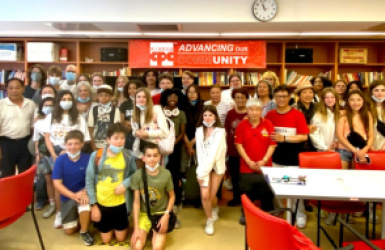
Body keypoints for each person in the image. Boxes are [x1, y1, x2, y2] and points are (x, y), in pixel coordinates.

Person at [43, 90, 91, 228]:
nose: (66, 101)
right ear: (59, 101)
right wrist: (54, 154)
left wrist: (70, 148)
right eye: (63, 98)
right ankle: (60, 212)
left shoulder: (78, 117)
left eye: (69, 98)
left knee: (76, 180)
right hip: (56, 152)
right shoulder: (52, 116)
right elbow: (47, 137)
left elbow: (84, 139)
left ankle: (80, 208)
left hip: (73, 150)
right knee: (58, 183)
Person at [265, 84, 309, 228]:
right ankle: (281, 211)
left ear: (289, 97)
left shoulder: (297, 114)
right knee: (276, 187)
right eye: (278, 96)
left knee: (296, 188)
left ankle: (300, 214)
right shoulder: (270, 115)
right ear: (274, 98)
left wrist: (284, 138)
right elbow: (265, 134)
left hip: (293, 158)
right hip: (275, 157)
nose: (281, 99)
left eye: (284, 96)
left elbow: (303, 137)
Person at [86, 123, 137, 244]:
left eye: (122, 138)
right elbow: (89, 180)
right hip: (102, 203)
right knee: (106, 240)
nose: (119, 141)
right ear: (108, 139)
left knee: (121, 239)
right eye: (116, 138)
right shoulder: (96, 155)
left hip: (121, 203)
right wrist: (93, 206)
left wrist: (125, 184)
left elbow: (135, 174)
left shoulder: (128, 155)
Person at [234, 98, 277, 224]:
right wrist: (248, 161)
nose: (254, 112)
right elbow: (238, 144)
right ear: (247, 110)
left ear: (261, 110)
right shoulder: (242, 125)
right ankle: (246, 214)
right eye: (251, 109)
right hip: (246, 166)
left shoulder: (268, 124)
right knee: (247, 193)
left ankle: (268, 215)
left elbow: (272, 145)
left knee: (267, 192)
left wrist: (264, 160)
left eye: (257, 109)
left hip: (265, 165)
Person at [52, 130, 94, 245]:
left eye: (76, 143)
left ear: (82, 144)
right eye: (70, 144)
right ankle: (81, 219)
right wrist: (73, 195)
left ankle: (84, 231)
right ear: (65, 145)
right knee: (69, 231)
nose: (73, 147)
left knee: (84, 203)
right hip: (68, 196)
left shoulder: (89, 158)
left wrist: (84, 192)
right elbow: (57, 183)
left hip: (84, 193)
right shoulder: (60, 160)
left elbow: (92, 179)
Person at [131, 144, 175, 250]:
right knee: (137, 247)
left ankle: (155, 232)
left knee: (158, 247)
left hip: (160, 213)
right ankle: (145, 230)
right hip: (144, 213)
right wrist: (136, 228)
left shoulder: (166, 174)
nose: (152, 159)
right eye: (149, 156)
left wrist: (166, 216)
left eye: (155, 155)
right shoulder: (137, 175)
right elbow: (136, 202)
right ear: (143, 158)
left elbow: (172, 196)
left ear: (160, 157)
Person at [195, 105, 227, 235]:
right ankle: (209, 219)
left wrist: (203, 171)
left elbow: (214, 154)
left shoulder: (220, 132)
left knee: (212, 195)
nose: (207, 118)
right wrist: (201, 173)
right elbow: (200, 152)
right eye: (205, 115)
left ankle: (214, 207)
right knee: (204, 195)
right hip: (203, 167)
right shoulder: (198, 131)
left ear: (215, 117)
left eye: (210, 115)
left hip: (217, 167)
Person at [0, 78, 35, 178]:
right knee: (6, 175)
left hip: (25, 143)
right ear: (6, 89)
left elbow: (33, 126)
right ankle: (7, 194)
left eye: (17, 88)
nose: (14, 91)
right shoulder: (1, 105)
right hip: (6, 144)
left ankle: (25, 194)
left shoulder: (30, 104)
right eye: (11, 88)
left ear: (23, 88)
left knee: (26, 175)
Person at [160, 88, 186, 220]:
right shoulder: (159, 112)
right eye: (170, 97)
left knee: (175, 175)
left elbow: (182, 132)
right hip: (162, 146)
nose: (172, 99)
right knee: (162, 172)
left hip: (175, 147)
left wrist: (173, 143)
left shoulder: (181, 113)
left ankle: (176, 202)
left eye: (175, 97)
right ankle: (163, 201)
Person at [131, 87, 169, 166]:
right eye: (139, 97)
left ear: (148, 99)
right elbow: (134, 130)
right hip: (139, 151)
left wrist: (147, 134)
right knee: (140, 176)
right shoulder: (134, 111)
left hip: (154, 151)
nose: (141, 99)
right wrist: (136, 133)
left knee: (154, 176)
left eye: (144, 97)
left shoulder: (156, 109)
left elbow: (165, 132)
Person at [337, 90, 374, 169]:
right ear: (348, 102)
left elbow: (371, 135)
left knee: (358, 177)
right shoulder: (343, 115)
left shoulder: (367, 114)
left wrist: (365, 149)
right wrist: (354, 150)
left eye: (358, 99)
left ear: (363, 101)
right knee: (343, 176)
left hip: (362, 149)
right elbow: (340, 136)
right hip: (345, 150)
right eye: (352, 100)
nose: (355, 103)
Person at [224, 87, 249, 206]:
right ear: (233, 99)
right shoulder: (230, 113)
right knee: (234, 175)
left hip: (247, 150)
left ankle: (247, 199)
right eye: (237, 97)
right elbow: (226, 130)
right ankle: (236, 198)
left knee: (246, 176)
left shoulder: (250, 112)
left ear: (247, 99)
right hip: (233, 149)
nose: (240, 100)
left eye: (243, 97)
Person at [33, 97, 57, 217]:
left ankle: (59, 207)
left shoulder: (58, 120)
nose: (48, 107)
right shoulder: (38, 122)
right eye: (46, 105)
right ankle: (52, 204)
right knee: (48, 179)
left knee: (57, 180)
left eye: (51, 105)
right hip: (44, 154)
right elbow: (36, 140)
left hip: (56, 153)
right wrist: (37, 154)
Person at [88, 84, 121, 150]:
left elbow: (117, 128)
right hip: (96, 144)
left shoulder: (115, 110)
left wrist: (112, 145)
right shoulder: (93, 109)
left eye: (106, 95)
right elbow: (90, 128)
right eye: (101, 95)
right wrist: (93, 147)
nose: (104, 97)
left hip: (111, 145)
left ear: (110, 97)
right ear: (97, 97)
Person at [310, 88, 341, 152]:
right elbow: (313, 134)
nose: (330, 100)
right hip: (324, 150)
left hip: (337, 149)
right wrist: (325, 148)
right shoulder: (318, 115)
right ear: (323, 100)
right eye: (326, 97)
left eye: (332, 97)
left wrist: (337, 142)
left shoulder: (338, 114)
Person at [182, 84, 204, 173]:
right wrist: (187, 143)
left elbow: (204, 126)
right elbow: (181, 126)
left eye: (194, 92)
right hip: (184, 139)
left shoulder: (204, 106)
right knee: (184, 167)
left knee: (200, 166)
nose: (192, 94)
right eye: (189, 92)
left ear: (198, 93)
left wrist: (193, 143)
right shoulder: (182, 106)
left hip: (200, 140)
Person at [293, 81, 318, 152]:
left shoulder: (318, 107)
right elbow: (291, 127)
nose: (308, 95)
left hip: (316, 141)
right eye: (304, 92)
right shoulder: (294, 108)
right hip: (299, 142)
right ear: (299, 95)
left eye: (310, 92)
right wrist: (306, 128)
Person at [119, 80, 144, 150]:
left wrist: (133, 124)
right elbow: (122, 121)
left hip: (141, 134)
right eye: (129, 88)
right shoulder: (124, 104)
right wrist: (128, 124)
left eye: (134, 88)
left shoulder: (143, 104)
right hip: (128, 135)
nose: (131, 90)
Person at [369, 80, 385, 150]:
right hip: (371, 146)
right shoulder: (366, 108)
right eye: (376, 90)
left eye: (383, 90)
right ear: (371, 92)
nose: (380, 93)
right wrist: (368, 145)